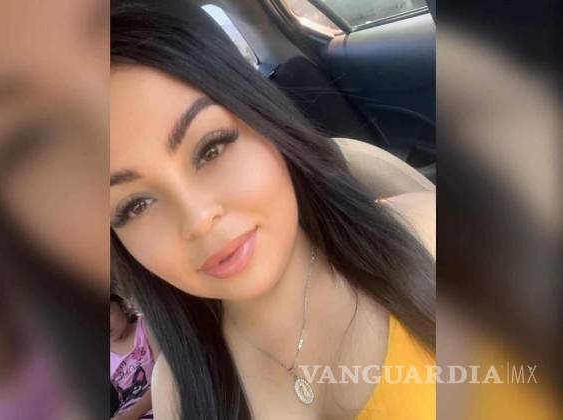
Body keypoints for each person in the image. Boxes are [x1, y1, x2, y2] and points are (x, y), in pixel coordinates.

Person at [110, 2, 435, 419]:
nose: (198, 219)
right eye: (136, 205)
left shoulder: (430, 235)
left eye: (211, 149)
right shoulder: (177, 395)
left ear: (264, 118)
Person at [110, 293, 158, 420]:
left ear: (123, 307)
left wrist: (132, 415)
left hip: (157, 403)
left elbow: (167, 378)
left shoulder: (146, 327)